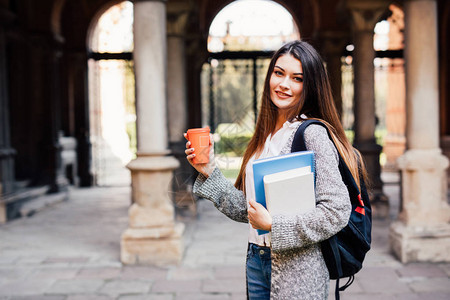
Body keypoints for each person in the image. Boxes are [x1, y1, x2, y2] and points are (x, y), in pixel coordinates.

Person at [184, 40, 367, 300]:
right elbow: (247, 210)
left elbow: (336, 211)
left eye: (297, 78)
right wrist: (208, 170)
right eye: (279, 73)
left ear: (310, 85)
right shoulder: (267, 136)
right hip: (256, 260)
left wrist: (275, 225)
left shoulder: (312, 133)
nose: (283, 84)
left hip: (299, 270)